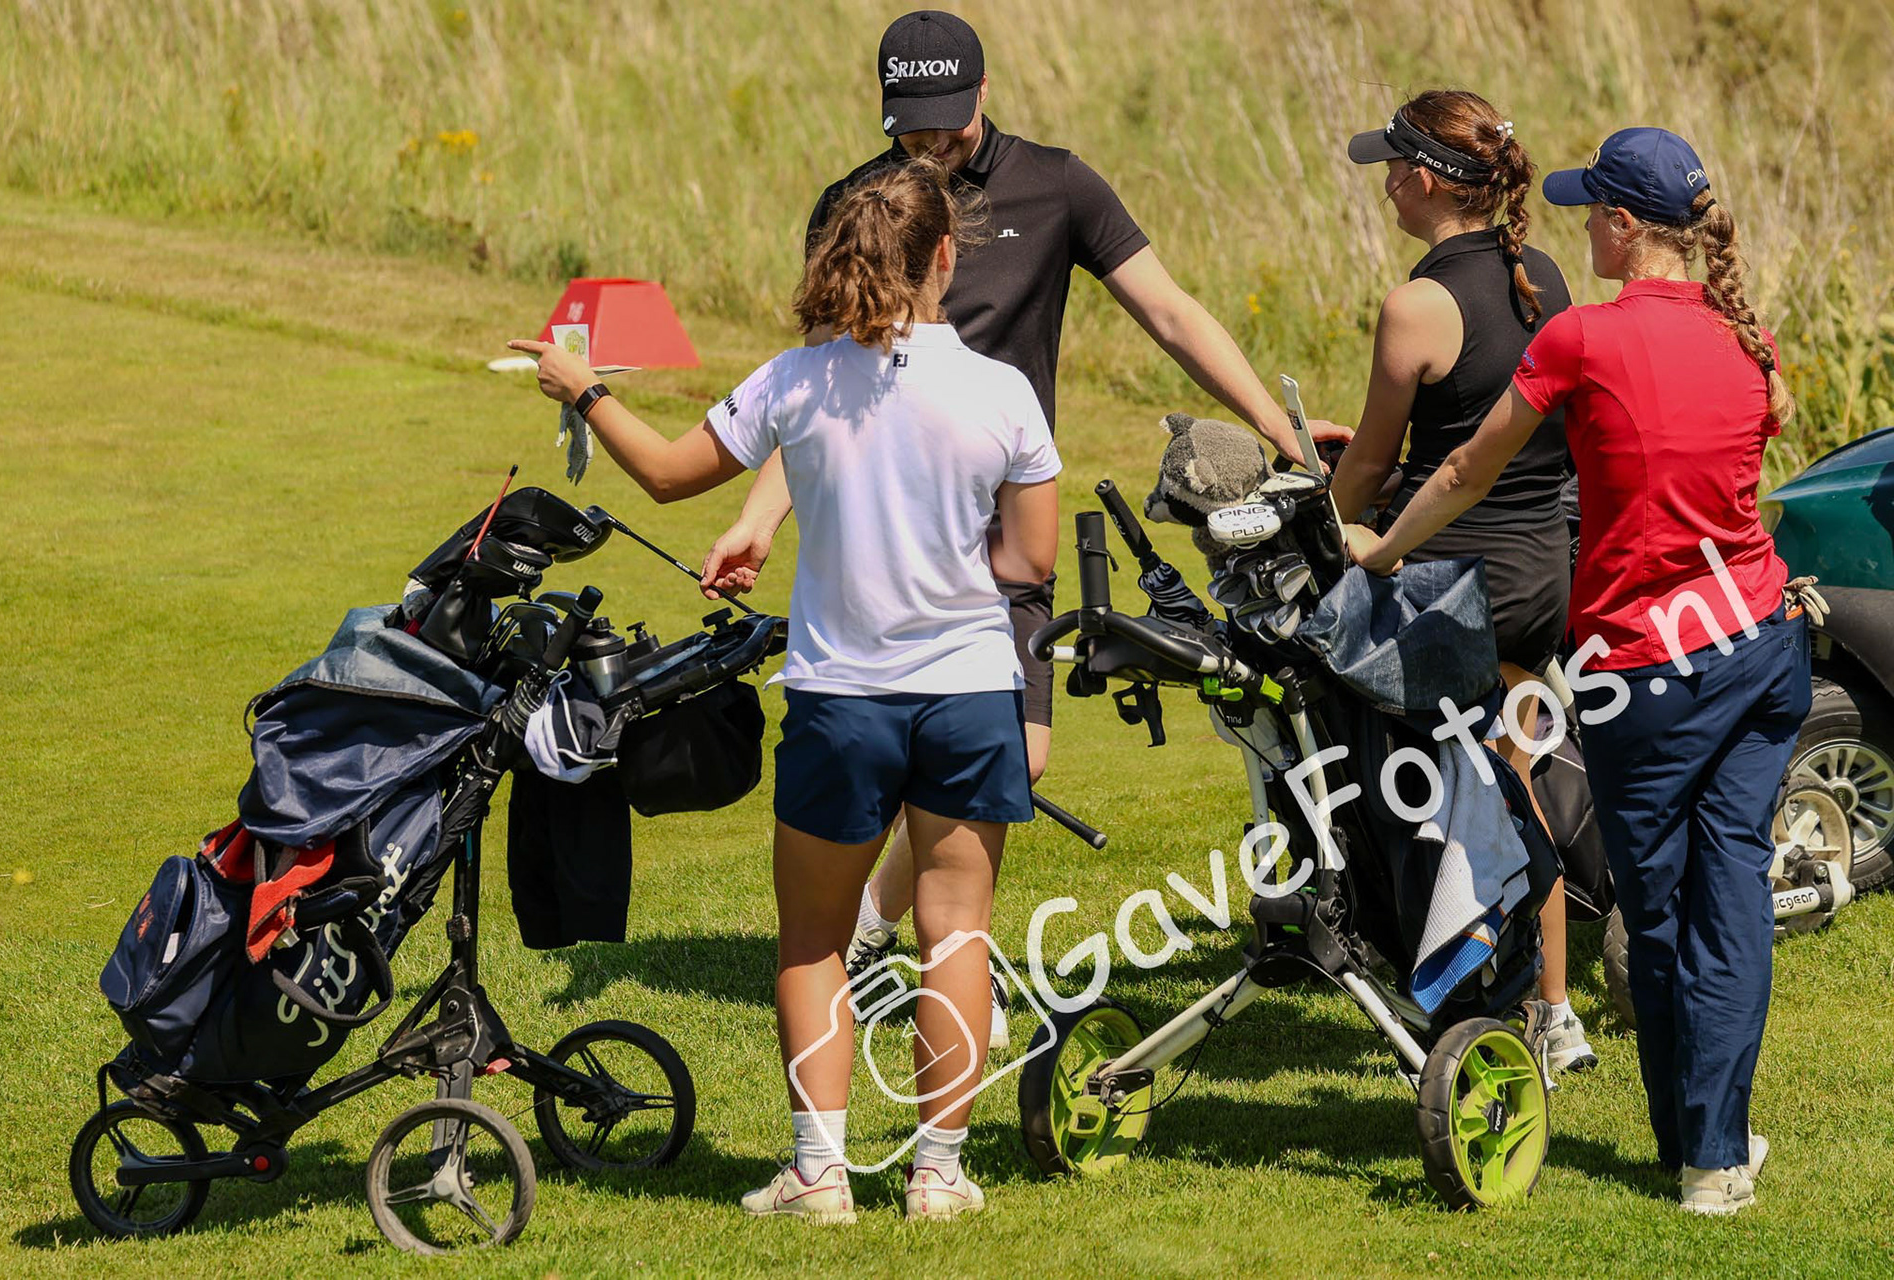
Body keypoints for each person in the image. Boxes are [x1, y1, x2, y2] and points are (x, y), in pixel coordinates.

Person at [700, 9, 1344, 1027]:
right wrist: (759, 515)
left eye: (947, 120)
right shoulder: (855, 204)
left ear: (984, 92)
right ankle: (933, 951)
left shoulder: (1057, 186)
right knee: (953, 749)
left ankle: (877, 927)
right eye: (911, 124)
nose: (930, 143)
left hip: (1005, 519)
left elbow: (1170, 310)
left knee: (1020, 756)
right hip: (889, 527)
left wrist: (1281, 429)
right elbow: (819, 387)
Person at [510, 158, 1059, 1222]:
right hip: (970, 695)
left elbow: (666, 472)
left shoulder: (797, 381)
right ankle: (939, 1175)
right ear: (946, 257)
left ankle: (818, 1174)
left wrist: (583, 388)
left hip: (842, 703)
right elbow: (1029, 560)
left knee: (814, 942)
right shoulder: (1003, 393)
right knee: (955, 936)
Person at [1347, 128, 1808, 1215]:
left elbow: (1468, 466)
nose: (1581, 227)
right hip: (1758, 641)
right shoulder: (1750, 340)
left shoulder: (1583, 338)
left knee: (1664, 909)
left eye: (1591, 210)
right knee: (1731, 894)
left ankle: (1703, 1149)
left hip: (1647, 669)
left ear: (1622, 225)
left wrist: (1382, 545)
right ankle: (1708, 1145)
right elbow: (1758, 438)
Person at [1334, 90, 1595, 1077]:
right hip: (1541, 570)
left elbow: (1372, 462)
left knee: (1427, 797)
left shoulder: (1417, 304)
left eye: (1392, 169)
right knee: (1515, 785)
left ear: (1426, 180)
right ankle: (1554, 1009)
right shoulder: (1545, 274)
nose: (1385, 186)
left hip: (1454, 585)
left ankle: (1455, 996)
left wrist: (1333, 521)